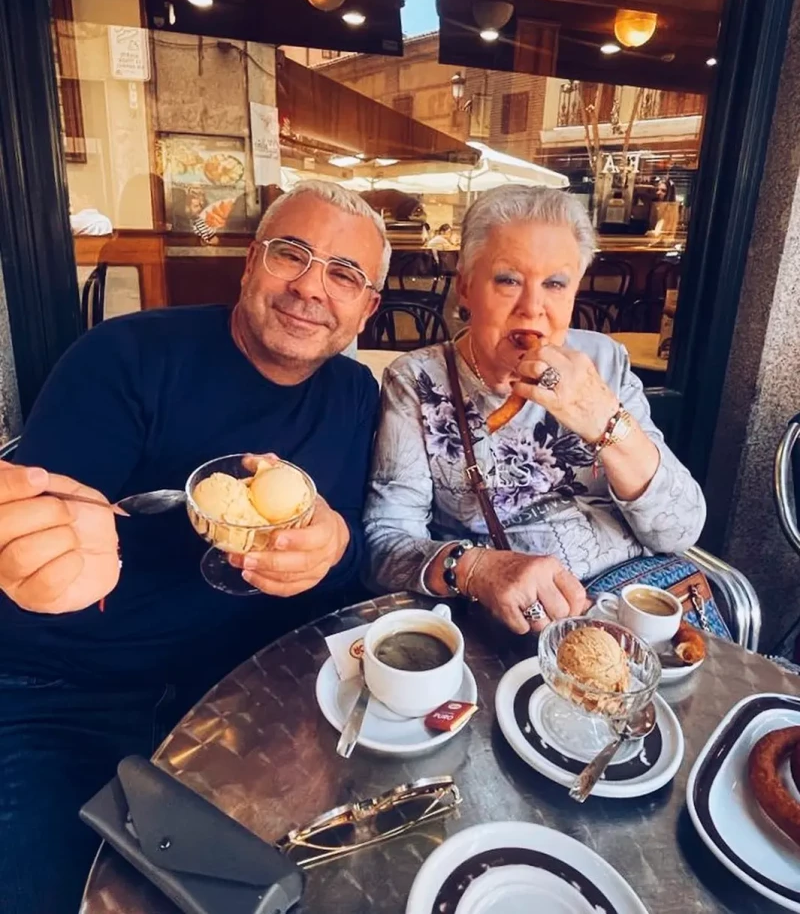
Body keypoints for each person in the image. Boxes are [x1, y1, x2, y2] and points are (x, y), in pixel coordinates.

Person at [0, 179, 388, 914]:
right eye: (291, 255)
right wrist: (31, 560)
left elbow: (355, 559)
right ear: (249, 264)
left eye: (344, 274)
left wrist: (336, 545)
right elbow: (41, 525)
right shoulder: (126, 358)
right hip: (62, 696)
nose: (311, 287)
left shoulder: (355, 397)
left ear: (366, 309)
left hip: (244, 698)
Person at [364, 185, 705, 635]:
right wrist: (478, 569)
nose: (532, 308)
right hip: (516, 623)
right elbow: (385, 544)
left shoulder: (605, 363)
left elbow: (679, 531)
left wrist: (605, 420)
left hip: (634, 606)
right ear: (465, 286)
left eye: (555, 284)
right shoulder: (418, 381)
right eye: (508, 280)